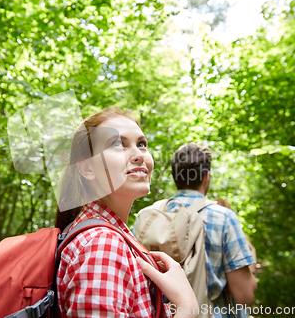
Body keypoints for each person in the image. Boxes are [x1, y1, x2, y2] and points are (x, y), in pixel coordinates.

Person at [54, 108, 198, 318]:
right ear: (88, 169)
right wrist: (187, 306)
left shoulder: (105, 236)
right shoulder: (102, 243)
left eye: (141, 144)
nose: (139, 155)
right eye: (117, 144)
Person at [166, 143, 257, 317]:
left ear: (175, 177)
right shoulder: (223, 217)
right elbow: (244, 296)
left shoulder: (149, 216)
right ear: (206, 176)